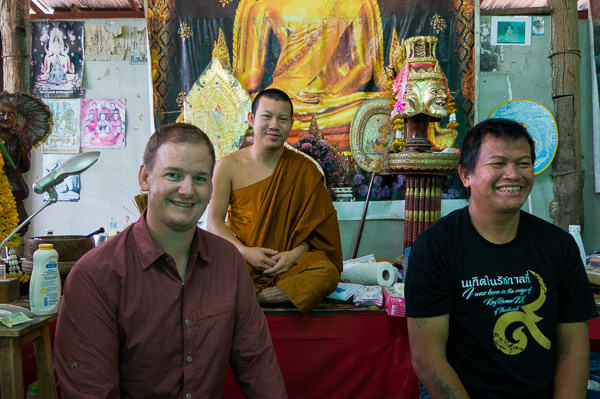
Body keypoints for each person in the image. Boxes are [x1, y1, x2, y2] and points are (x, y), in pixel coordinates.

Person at [54, 123, 287, 398]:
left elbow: (257, 365)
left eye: (200, 178)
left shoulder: (228, 262)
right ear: (145, 178)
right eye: (173, 175)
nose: (187, 190)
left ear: (211, 188)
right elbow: (92, 392)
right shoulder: (94, 277)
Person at [405, 118, 598, 399]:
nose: (513, 174)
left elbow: (573, 349)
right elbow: (428, 359)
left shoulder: (559, 246)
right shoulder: (435, 247)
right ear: (465, 175)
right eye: (497, 164)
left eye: (523, 164)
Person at [207, 88, 343, 314]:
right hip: (242, 260)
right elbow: (214, 223)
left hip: (285, 264)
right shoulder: (227, 166)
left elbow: (316, 233)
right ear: (251, 119)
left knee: (326, 273)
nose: (274, 125)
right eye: (266, 117)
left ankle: (251, 298)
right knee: (208, 272)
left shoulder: (304, 170)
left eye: (282, 119)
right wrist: (245, 252)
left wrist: (291, 256)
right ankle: (249, 292)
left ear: (291, 123)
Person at [0, 102, 32, 234]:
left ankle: (13, 253)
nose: (6, 117)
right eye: (1, 114)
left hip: (15, 188)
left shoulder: (18, 140)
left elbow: (25, 167)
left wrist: (25, 151)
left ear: (17, 119)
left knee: (17, 226)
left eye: (11, 114)